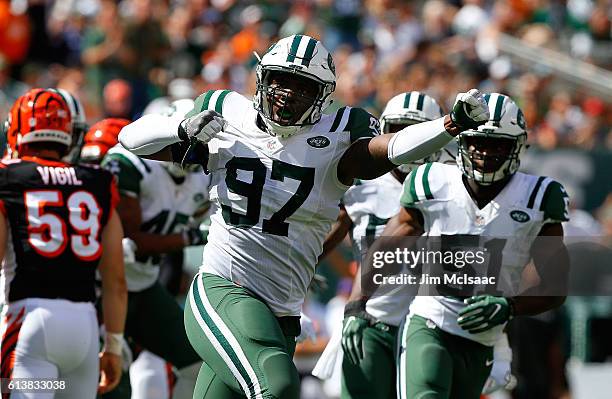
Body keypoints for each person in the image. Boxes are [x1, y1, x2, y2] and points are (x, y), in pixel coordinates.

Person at [118, 34, 490, 398]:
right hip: (224, 289)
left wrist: (449, 125)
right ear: (262, 78)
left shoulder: (339, 134)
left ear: (322, 95)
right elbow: (130, 139)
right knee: (276, 387)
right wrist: (180, 128)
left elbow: (392, 148)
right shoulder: (227, 112)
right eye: (280, 80)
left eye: (302, 86)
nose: (287, 93)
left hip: (281, 310)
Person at [318, 92, 515, 398]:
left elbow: (491, 271)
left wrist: (500, 346)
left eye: (415, 130)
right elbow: (319, 237)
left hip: (438, 326)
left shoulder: (456, 180)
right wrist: (298, 276)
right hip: (374, 320)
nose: (406, 140)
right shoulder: (359, 181)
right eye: (397, 129)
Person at [384, 93, 569, 399]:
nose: (485, 152)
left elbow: (555, 287)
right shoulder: (431, 180)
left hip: (484, 336)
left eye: (498, 144)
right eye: (477, 142)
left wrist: (510, 306)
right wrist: (362, 309)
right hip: (431, 320)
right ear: (462, 143)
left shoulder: (538, 197)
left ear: (517, 146)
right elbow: (385, 250)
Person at [0, 88, 127, 398]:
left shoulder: (7, 178)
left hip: (28, 321)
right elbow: (116, 280)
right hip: (83, 328)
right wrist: (113, 345)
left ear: (16, 130)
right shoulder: (97, 181)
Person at [100, 99, 209, 399]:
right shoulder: (133, 164)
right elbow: (130, 239)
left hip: (145, 285)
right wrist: (192, 237)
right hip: (102, 289)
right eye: (184, 141)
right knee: (110, 378)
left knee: (199, 364)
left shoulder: (203, 176)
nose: (189, 152)